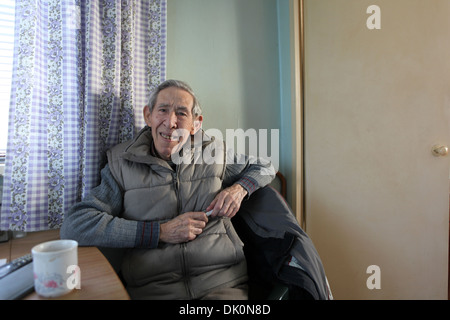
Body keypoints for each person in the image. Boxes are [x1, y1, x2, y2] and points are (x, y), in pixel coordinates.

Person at [60, 79, 275, 300]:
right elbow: (75, 226)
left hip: (222, 284)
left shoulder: (215, 153)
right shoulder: (121, 163)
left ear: (196, 124)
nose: (170, 122)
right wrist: (159, 232)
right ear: (148, 115)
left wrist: (238, 189)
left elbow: (266, 166)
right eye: (163, 110)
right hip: (153, 291)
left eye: (182, 113)